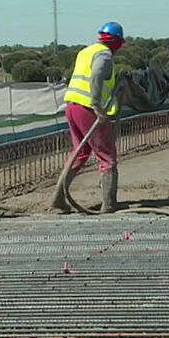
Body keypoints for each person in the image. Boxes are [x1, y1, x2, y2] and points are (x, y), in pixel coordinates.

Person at [51, 21, 125, 214]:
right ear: (117, 42)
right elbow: (96, 76)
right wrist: (97, 106)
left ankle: (58, 197)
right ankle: (109, 205)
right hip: (87, 109)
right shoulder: (104, 55)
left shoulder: (86, 51)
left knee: (81, 153)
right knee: (107, 157)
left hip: (72, 106)